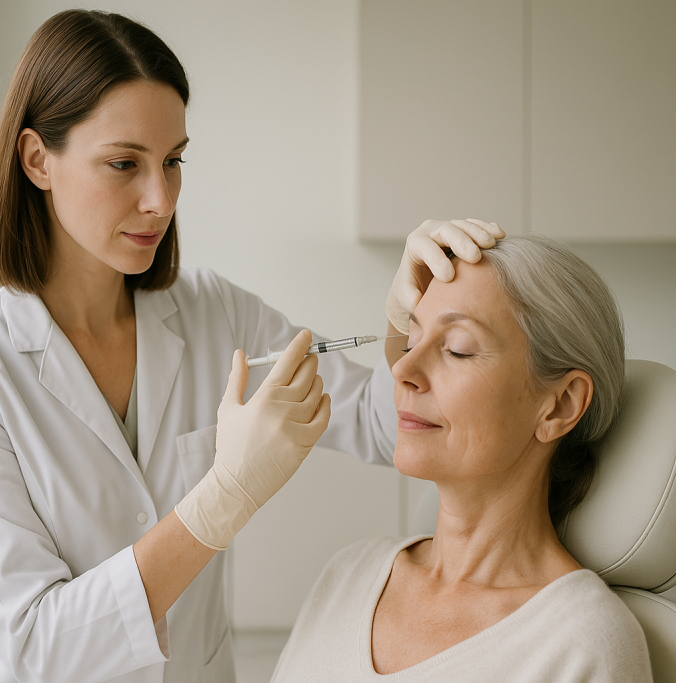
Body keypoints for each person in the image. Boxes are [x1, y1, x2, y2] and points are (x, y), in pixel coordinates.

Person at [0, 9, 501, 683]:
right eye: (124, 164)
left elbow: (378, 421)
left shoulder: (214, 312)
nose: (160, 200)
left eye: (172, 161)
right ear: (37, 160)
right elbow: (35, 645)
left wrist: (409, 317)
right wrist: (224, 496)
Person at [271, 235, 654, 682]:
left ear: (560, 405)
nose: (401, 369)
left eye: (457, 349)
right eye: (411, 341)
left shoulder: (582, 643)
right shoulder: (349, 575)